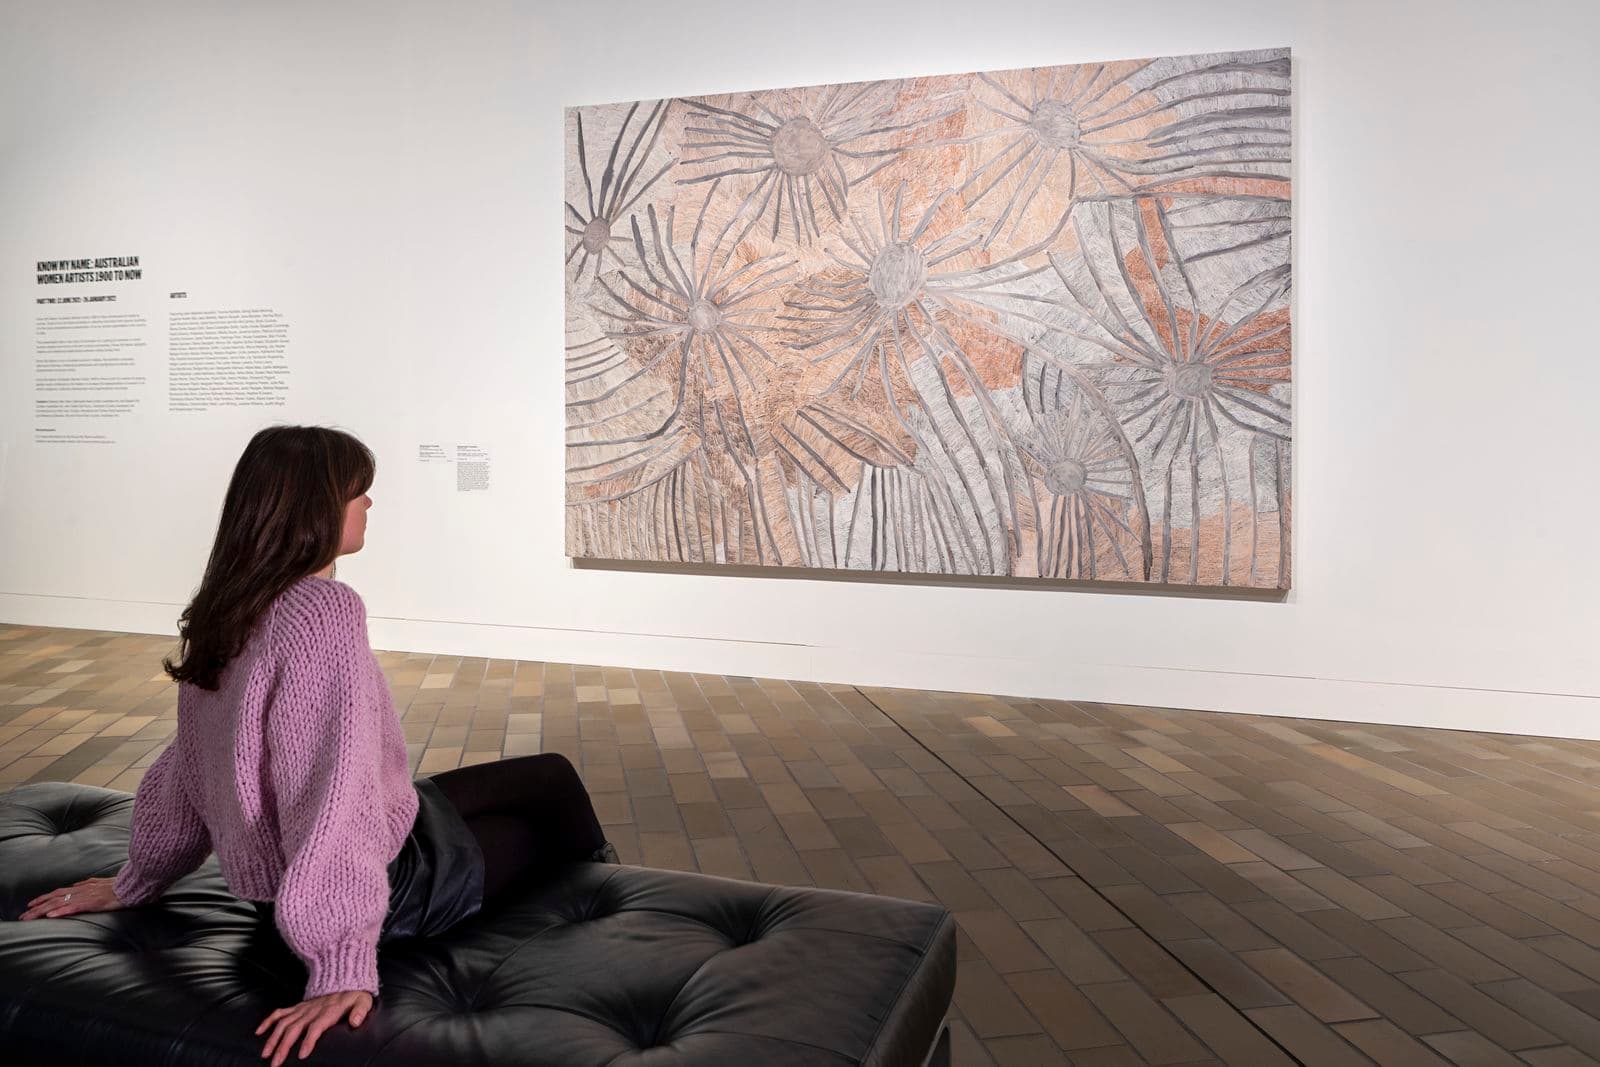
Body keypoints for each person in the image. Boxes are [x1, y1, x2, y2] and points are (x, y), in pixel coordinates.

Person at [17, 425, 618, 1067]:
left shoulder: (226, 608)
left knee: (548, 775)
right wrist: (339, 964)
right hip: (380, 887)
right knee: (552, 836)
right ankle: (606, 908)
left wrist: (140, 879)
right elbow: (328, 793)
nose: (368, 505)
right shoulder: (323, 612)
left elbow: (187, 766)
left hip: (308, 871)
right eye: (358, 493)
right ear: (314, 507)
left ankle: (602, 882)